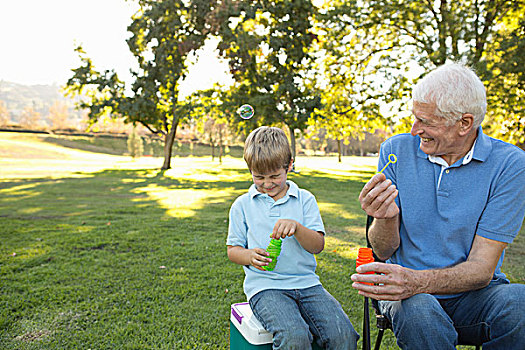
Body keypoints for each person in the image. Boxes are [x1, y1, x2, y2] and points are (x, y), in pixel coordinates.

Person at [351, 62, 525, 349]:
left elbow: (481, 269)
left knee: (519, 304)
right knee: (419, 312)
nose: (414, 130)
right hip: (409, 299)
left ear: (465, 123)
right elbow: (382, 250)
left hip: (474, 295)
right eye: (414, 117)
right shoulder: (395, 151)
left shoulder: (510, 165)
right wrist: (385, 217)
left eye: (426, 122)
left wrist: (416, 281)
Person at [227, 126, 359, 350]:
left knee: (343, 335)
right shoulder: (242, 205)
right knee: (295, 337)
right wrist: (249, 256)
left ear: (289, 166)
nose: (267, 184)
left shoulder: (305, 200)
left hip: (308, 284)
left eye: (275, 176)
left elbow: (317, 245)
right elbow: (233, 250)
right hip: (265, 287)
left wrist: (297, 228)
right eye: (259, 177)